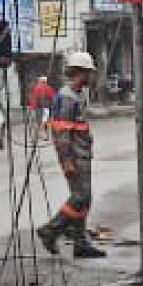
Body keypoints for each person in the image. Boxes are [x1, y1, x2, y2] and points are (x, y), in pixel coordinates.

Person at [39, 50, 106, 259]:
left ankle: (80, 243)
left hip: (82, 154)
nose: (92, 77)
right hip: (74, 157)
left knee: (84, 200)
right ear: (81, 72)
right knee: (80, 197)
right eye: (90, 73)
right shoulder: (66, 97)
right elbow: (60, 133)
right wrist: (67, 160)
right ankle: (51, 229)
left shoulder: (77, 95)